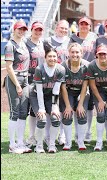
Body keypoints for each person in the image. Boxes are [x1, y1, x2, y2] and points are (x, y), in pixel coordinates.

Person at [4, 20, 32, 154]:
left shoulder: (24, 43)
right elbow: (9, 67)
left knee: (23, 112)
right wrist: (17, 85)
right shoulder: (10, 45)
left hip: (25, 79)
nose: (21, 31)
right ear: (14, 29)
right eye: (19, 29)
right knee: (14, 112)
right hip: (14, 79)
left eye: (23, 29)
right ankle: (12, 144)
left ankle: (20, 142)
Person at [30, 48, 66, 153]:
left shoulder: (60, 69)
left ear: (57, 57)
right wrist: (41, 108)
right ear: (45, 57)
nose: (52, 58)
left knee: (55, 118)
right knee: (42, 119)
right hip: (36, 95)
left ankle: (51, 144)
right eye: (49, 56)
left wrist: (54, 107)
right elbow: (39, 91)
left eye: (54, 56)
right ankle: (39, 145)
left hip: (51, 96)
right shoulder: (39, 69)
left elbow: (56, 89)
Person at [70, 16, 98, 144]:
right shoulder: (73, 38)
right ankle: (78, 132)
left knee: (90, 104)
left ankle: (87, 131)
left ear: (90, 26)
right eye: (82, 24)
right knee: (77, 104)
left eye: (86, 24)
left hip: (91, 73)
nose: (84, 26)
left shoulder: (94, 37)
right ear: (78, 25)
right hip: (77, 73)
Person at [44, 19, 70, 146]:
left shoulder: (70, 41)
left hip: (64, 77)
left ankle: (62, 135)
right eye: (61, 28)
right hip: (50, 77)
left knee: (62, 106)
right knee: (51, 106)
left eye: (66, 28)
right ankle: (48, 135)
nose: (64, 30)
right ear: (56, 28)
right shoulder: (48, 41)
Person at [60, 43, 90, 151]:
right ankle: (68, 142)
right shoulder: (63, 66)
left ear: (82, 53)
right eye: (72, 52)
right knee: (67, 115)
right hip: (68, 92)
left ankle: (80, 141)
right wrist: (68, 106)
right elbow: (63, 87)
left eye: (77, 52)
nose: (75, 54)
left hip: (82, 93)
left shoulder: (86, 66)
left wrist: (80, 104)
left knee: (82, 114)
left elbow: (85, 87)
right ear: (69, 53)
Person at [25, 21, 46, 148]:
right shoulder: (26, 43)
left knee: (35, 109)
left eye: (40, 30)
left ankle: (35, 136)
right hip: (28, 79)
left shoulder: (42, 43)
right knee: (26, 109)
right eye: (36, 30)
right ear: (31, 30)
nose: (38, 32)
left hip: (39, 80)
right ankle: (30, 137)